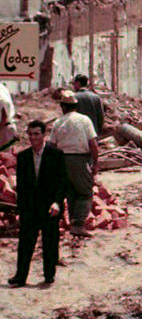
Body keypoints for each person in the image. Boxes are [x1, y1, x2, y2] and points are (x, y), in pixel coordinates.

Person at [8, 120, 65, 287]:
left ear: (43, 135)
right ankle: (20, 276)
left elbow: (62, 181)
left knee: (49, 242)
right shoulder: (24, 157)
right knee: (25, 243)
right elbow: (22, 185)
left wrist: (57, 203)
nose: (33, 138)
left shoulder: (55, 154)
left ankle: (49, 274)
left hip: (49, 207)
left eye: (36, 134)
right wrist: (21, 208)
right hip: (30, 208)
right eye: (30, 134)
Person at [48, 89, 99, 237]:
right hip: (80, 159)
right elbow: (93, 144)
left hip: (62, 160)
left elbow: (52, 146)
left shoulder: (58, 122)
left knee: (70, 192)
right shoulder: (84, 120)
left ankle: (73, 223)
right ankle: (78, 225)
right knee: (85, 192)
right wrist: (96, 163)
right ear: (76, 106)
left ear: (63, 107)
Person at [0, 78, 16, 151]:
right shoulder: (2, 87)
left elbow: (4, 116)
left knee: (4, 157)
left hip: (3, 129)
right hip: (5, 127)